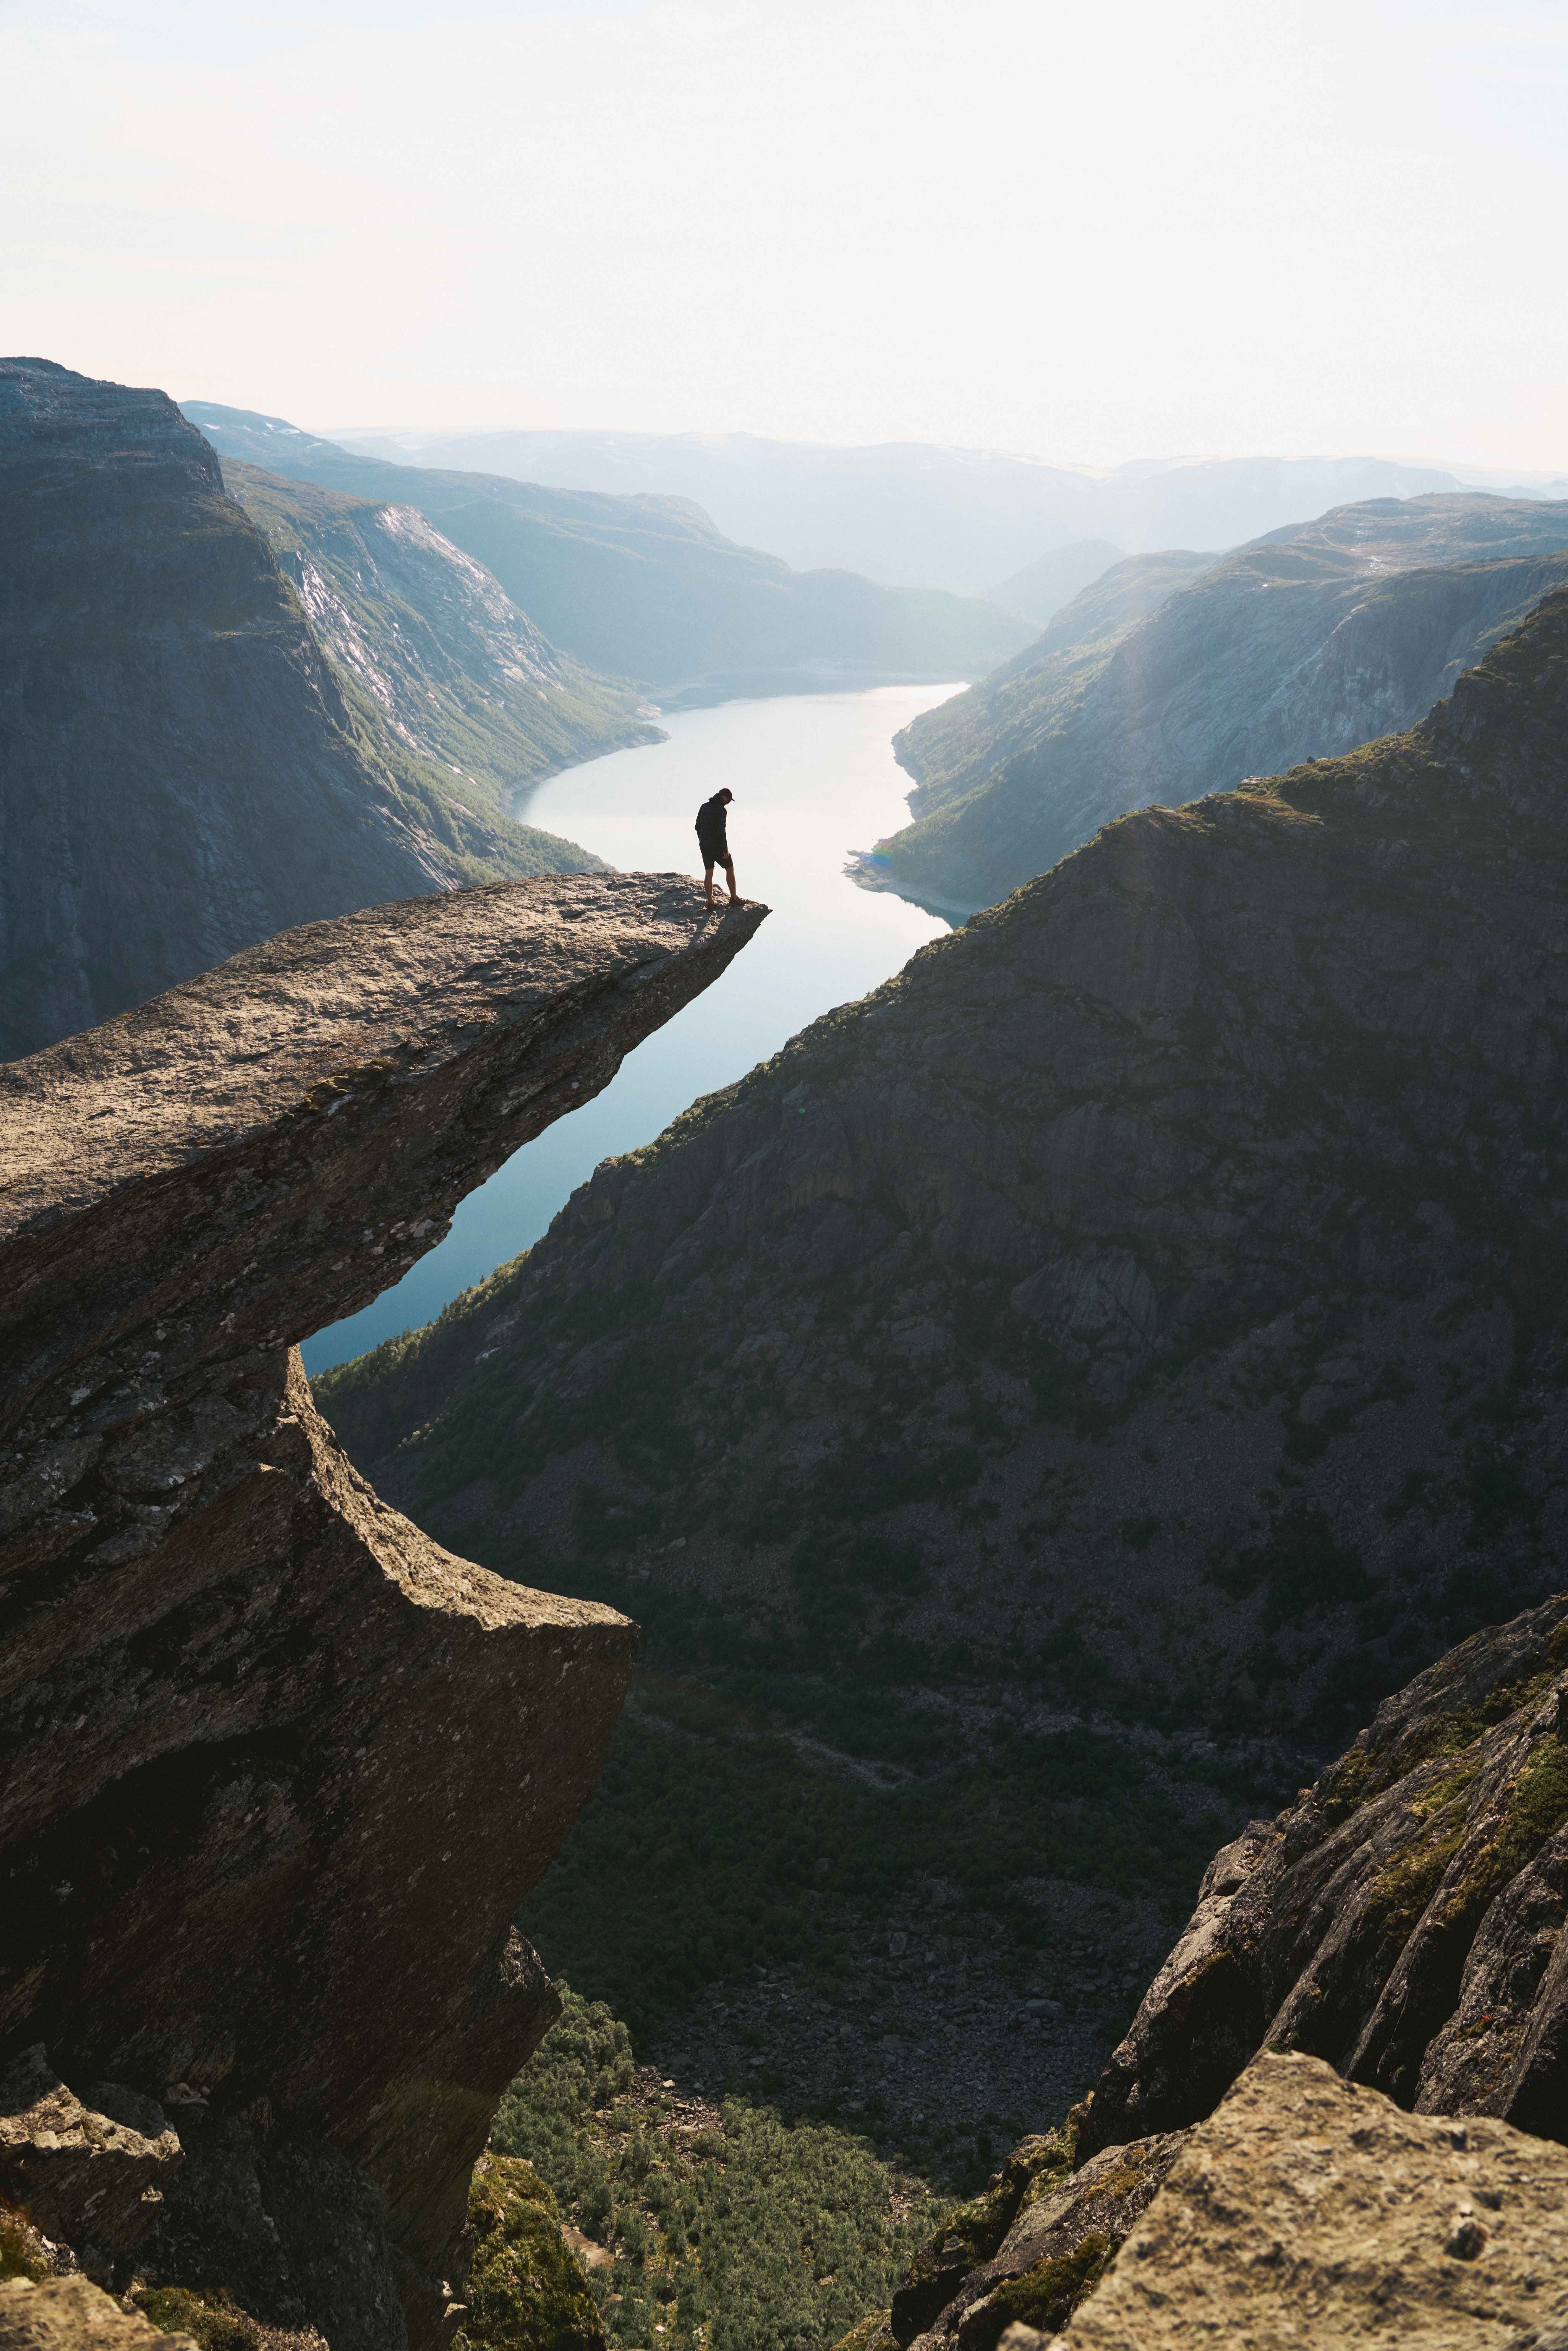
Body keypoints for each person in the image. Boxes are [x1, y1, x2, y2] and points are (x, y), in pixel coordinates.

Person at [695, 788, 741, 908]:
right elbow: (722, 832)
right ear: (725, 797)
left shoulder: (704, 807)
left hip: (705, 846)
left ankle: (710, 902)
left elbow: (697, 827)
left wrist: (703, 841)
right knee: (730, 869)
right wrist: (725, 851)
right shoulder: (721, 811)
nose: (729, 803)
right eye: (729, 801)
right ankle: (734, 899)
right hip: (717, 847)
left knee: (709, 873)